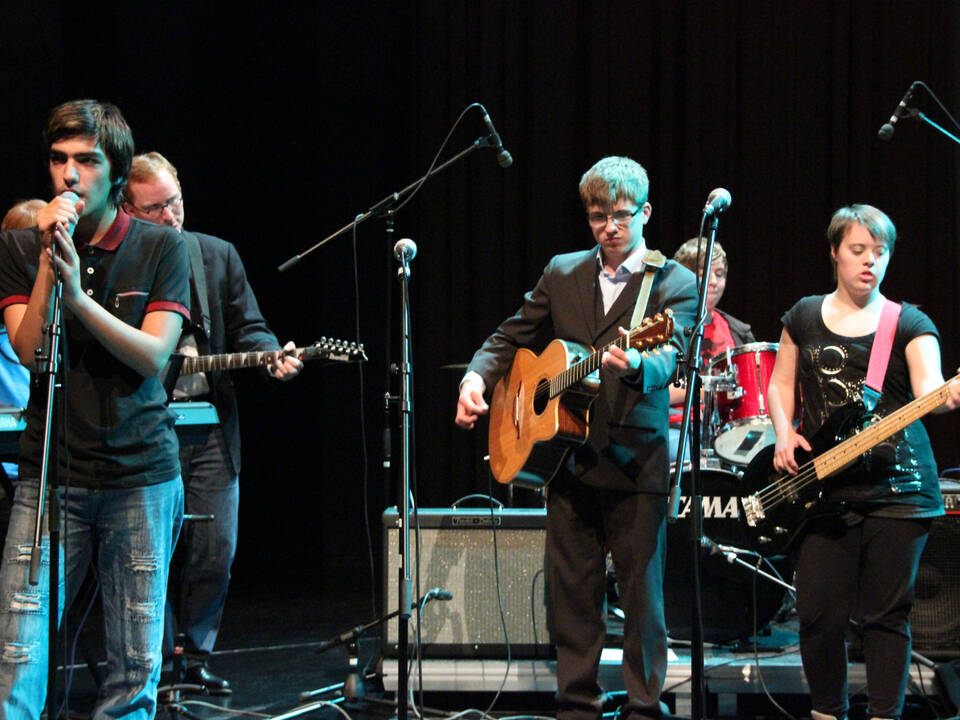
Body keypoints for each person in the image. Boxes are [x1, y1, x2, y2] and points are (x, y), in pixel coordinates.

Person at [455, 156, 697, 720]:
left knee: (642, 602)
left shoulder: (675, 282)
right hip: (567, 460)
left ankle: (642, 708)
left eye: (620, 215)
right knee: (573, 598)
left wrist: (638, 363)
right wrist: (475, 378)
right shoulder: (563, 271)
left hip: (636, 460)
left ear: (645, 212)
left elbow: (674, 353)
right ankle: (577, 706)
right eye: (597, 217)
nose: (609, 228)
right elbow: (509, 335)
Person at [0, 100, 190, 718]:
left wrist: (79, 298)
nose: (69, 175)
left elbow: (153, 355)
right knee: (17, 646)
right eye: (58, 160)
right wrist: (52, 270)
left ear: (115, 173)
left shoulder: (162, 247)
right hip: (50, 470)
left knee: (133, 662)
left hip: (139, 475)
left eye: (86, 161)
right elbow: (29, 347)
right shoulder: (19, 245)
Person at [766, 204, 960, 720]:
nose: (870, 261)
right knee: (818, 618)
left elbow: (930, 390)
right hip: (822, 492)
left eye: (880, 252)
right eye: (858, 250)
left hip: (900, 491)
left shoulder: (909, 321)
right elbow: (780, 383)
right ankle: (827, 712)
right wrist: (784, 433)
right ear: (834, 253)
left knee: (885, 618)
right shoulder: (804, 315)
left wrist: (945, 396)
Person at [122, 151, 302, 694]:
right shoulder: (121, 263)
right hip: (144, 431)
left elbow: (251, 326)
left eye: (174, 202)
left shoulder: (217, 255)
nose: (171, 216)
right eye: (155, 208)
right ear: (127, 208)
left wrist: (271, 355)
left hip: (210, 430)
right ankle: (150, 659)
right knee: (147, 554)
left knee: (215, 551)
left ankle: (194, 656)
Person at [667, 237, 755, 463]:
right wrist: (705, 390)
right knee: (688, 456)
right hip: (677, 428)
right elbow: (654, 392)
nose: (713, 281)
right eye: (704, 273)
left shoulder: (737, 331)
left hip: (724, 430)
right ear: (681, 277)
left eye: (720, 273)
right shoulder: (662, 328)